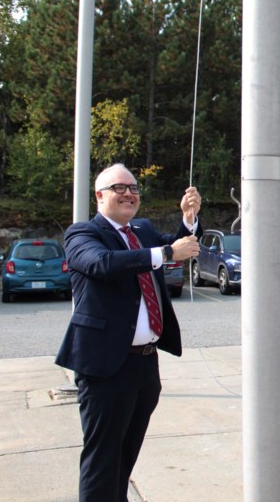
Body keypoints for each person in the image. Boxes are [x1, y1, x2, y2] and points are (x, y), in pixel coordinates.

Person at [55, 163, 202, 501]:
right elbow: (102, 263)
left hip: (145, 366)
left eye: (133, 188)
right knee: (102, 461)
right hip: (106, 366)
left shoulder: (143, 230)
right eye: (119, 188)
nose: (128, 193)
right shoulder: (82, 234)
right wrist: (165, 253)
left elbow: (182, 244)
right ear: (99, 195)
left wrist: (189, 218)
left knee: (124, 458)